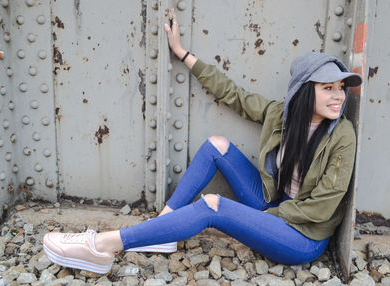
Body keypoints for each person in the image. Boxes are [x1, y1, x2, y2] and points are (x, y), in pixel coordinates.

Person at [42, 10, 362, 274]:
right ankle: (163, 227)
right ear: (306, 91)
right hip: (272, 205)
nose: (338, 97)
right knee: (216, 145)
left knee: (213, 206)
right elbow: (233, 94)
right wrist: (183, 53)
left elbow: (321, 209)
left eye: (340, 88)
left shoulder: (341, 134)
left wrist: (261, 220)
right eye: (327, 88)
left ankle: (101, 245)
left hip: (302, 236)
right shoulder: (283, 115)